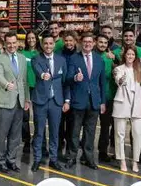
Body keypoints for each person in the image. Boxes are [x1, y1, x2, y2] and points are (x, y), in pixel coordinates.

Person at [64, 32, 107, 169]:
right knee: (74, 132)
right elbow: (68, 79)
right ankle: (71, 157)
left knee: (90, 132)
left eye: (90, 41)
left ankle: (89, 158)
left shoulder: (99, 59)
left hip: (94, 101)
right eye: (85, 42)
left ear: (93, 43)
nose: (87, 44)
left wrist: (102, 102)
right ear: (80, 43)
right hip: (78, 100)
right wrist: (76, 78)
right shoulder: (74, 58)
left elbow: (102, 83)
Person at [0, 32, 30, 173]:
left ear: (17, 43)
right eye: (9, 43)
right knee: (2, 134)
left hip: (19, 102)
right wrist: (6, 84)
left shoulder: (22, 58)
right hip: (5, 101)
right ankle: (1, 161)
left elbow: (25, 81)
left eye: (14, 43)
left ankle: (11, 160)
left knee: (15, 135)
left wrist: (27, 99)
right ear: (4, 43)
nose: (12, 45)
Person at [30, 33, 66, 173]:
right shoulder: (36, 59)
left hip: (56, 101)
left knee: (55, 132)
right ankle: (37, 159)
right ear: (42, 44)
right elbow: (38, 71)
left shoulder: (61, 60)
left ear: (54, 44)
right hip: (40, 100)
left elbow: (64, 82)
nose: (48, 46)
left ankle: (53, 159)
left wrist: (66, 99)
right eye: (45, 43)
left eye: (51, 43)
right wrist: (43, 75)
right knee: (39, 132)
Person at [112, 46, 141, 172]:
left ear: (135, 57)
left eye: (132, 54)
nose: (130, 57)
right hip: (121, 104)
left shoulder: (139, 71)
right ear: (124, 56)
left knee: (138, 134)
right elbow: (118, 80)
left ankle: (135, 161)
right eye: (128, 54)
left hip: (137, 105)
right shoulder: (118, 69)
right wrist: (121, 80)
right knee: (119, 134)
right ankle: (122, 160)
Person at [96, 33, 117, 165]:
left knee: (105, 126)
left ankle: (102, 151)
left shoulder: (110, 58)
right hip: (92, 96)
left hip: (107, 96)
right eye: (100, 42)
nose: (103, 44)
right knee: (89, 126)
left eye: (105, 42)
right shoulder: (91, 56)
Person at [57, 31, 79, 161]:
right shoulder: (58, 54)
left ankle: (71, 155)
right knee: (58, 126)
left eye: (71, 40)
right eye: (66, 40)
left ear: (75, 41)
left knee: (72, 128)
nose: (69, 43)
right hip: (60, 94)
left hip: (75, 96)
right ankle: (58, 152)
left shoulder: (79, 55)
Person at [20, 33, 39, 154]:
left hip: (37, 88)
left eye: (33, 38)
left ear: (36, 39)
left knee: (38, 117)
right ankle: (26, 141)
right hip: (25, 88)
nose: (31, 40)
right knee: (25, 117)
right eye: (29, 38)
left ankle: (37, 141)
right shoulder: (22, 53)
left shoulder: (40, 54)